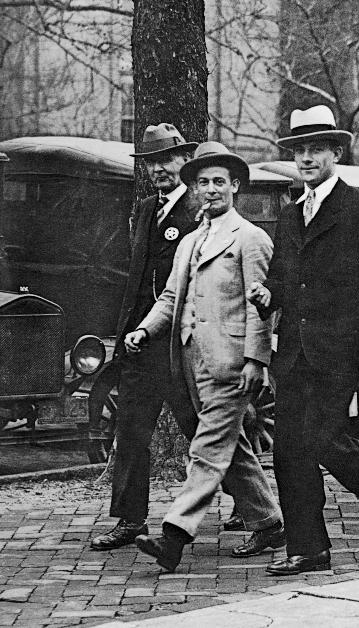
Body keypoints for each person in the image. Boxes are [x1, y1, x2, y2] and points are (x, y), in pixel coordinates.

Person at [247, 105, 359, 575]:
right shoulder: (293, 214)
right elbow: (283, 279)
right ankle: (308, 548)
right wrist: (266, 293)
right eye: (300, 150)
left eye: (316, 149)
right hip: (293, 352)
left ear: (336, 151)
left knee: (322, 437)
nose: (307, 158)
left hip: (339, 352)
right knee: (290, 451)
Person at [125, 142, 284, 572]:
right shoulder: (191, 241)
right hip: (191, 362)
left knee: (208, 447)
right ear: (193, 188)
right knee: (232, 449)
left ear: (235, 186)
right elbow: (172, 296)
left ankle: (174, 536)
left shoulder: (251, 238)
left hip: (232, 362)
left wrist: (257, 360)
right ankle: (269, 522)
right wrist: (144, 329)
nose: (210, 190)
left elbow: (263, 308)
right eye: (202, 183)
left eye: (219, 182)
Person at [92, 124, 213, 552]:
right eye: (150, 162)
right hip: (142, 345)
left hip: (183, 346)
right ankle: (129, 519)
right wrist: (127, 331)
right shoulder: (146, 209)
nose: (159, 168)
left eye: (167, 159)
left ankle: (253, 509)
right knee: (131, 430)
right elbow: (138, 279)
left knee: (204, 430)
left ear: (185, 162)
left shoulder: (201, 209)